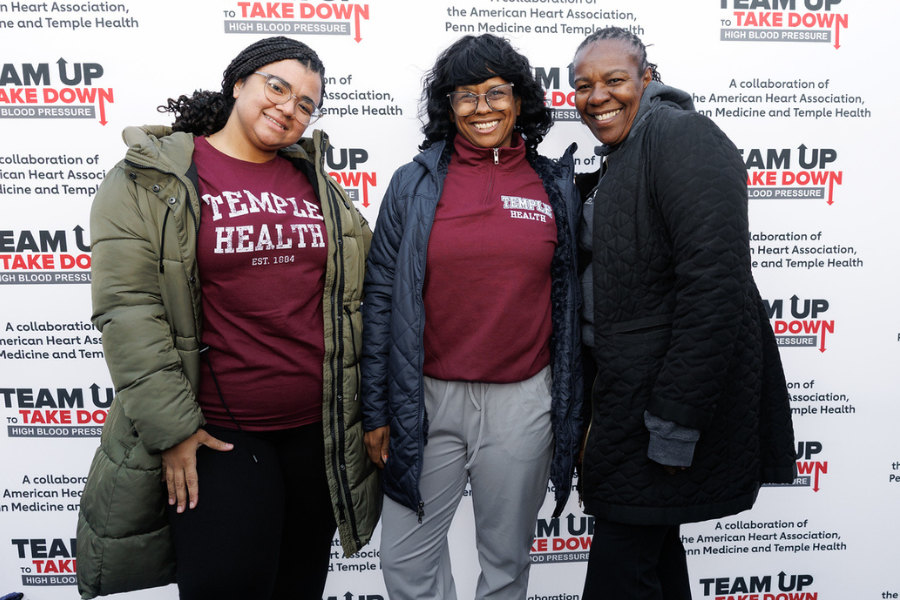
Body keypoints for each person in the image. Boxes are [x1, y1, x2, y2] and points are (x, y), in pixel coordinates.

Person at [75, 36, 380, 600]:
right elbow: (129, 310)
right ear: (238, 83)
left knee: (299, 588)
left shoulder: (320, 187)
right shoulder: (150, 180)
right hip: (218, 438)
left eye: (307, 104)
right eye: (278, 86)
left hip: (318, 436)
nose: (289, 108)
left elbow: (364, 292)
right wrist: (174, 431)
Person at [572, 26, 796, 600]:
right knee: (651, 551)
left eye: (614, 79)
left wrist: (675, 422)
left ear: (649, 77)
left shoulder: (681, 135)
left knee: (624, 563)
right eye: (583, 85)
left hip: (660, 405)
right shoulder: (624, 156)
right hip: (627, 396)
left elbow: (714, 284)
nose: (597, 96)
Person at [360, 34, 582, 600]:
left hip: (522, 400)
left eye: (495, 92)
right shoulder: (413, 183)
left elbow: (572, 298)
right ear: (447, 106)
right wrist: (377, 406)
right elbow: (381, 294)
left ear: (519, 99)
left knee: (506, 561)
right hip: (425, 399)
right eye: (466, 96)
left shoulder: (555, 185)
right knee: (406, 561)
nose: (482, 108)